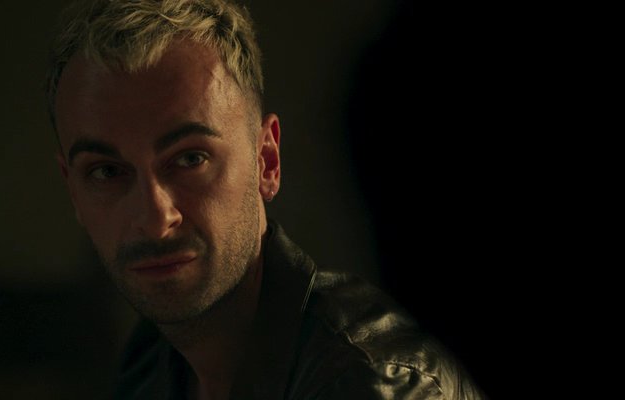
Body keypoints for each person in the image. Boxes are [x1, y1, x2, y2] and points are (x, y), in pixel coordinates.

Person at [45, 1, 485, 399]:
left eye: (190, 159)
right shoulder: (148, 363)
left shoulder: (368, 380)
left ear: (266, 161)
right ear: (73, 191)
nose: (156, 219)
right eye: (106, 172)